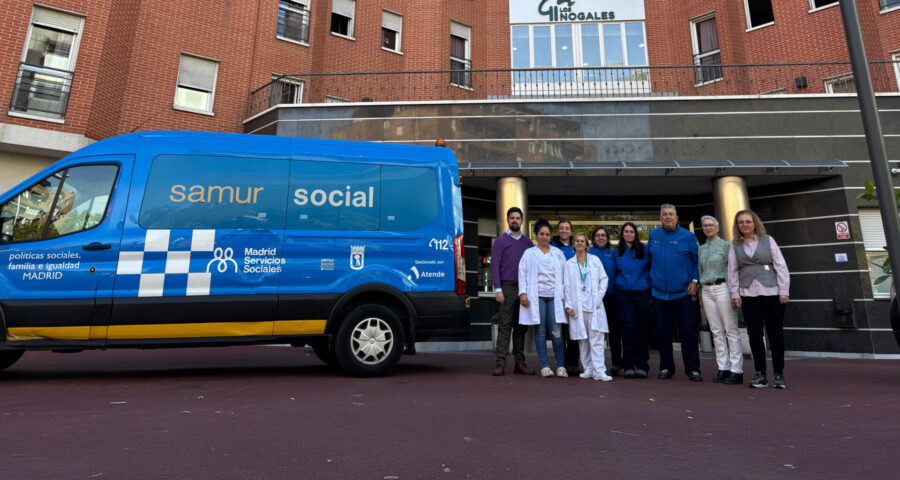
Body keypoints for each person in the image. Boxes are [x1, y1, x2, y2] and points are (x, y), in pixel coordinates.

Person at [727, 209, 790, 389]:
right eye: (741, 222)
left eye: (748, 221)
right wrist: (735, 294)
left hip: (771, 293)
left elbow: (781, 266)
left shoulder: (768, 240)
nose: (744, 225)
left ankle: (778, 373)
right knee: (754, 334)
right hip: (748, 295)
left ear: (755, 223)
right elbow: (732, 271)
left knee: (775, 334)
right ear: (737, 225)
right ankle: (760, 373)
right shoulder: (734, 245)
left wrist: (784, 290)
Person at [648, 204, 703, 382]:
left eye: (671, 214)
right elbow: (649, 261)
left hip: (683, 293)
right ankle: (666, 367)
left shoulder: (688, 236)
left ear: (676, 217)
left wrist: (695, 281)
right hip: (659, 294)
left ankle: (693, 369)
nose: (668, 217)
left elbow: (698, 261)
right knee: (663, 333)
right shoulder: (653, 235)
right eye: (664, 214)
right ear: (660, 218)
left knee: (688, 332)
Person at [518, 219, 568, 378]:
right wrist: (523, 293)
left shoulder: (558, 253)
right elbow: (522, 273)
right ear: (536, 235)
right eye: (541, 234)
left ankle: (560, 365)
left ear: (550, 236)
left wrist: (567, 297)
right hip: (537, 296)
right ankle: (544, 366)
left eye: (547, 234)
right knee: (539, 331)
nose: (544, 237)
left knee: (556, 332)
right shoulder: (529, 253)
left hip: (555, 297)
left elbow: (566, 276)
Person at [491, 207, 535, 376]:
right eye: (512, 218)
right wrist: (498, 289)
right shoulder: (500, 241)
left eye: (518, 218)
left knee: (521, 328)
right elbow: (495, 265)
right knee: (505, 327)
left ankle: (520, 363)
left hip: (524, 289)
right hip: (507, 288)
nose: (515, 220)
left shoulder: (528, 243)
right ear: (508, 220)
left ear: (522, 221)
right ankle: (500, 364)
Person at [698, 215, 743, 385]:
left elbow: (733, 270)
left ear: (717, 227)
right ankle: (723, 367)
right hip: (707, 290)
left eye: (711, 225)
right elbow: (700, 271)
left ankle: (736, 369)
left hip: (723, 288)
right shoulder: (701, 249)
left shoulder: (726, 246)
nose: (708, 228)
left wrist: (734, 292)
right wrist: (700, 293)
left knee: (731, 330)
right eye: (705, 225)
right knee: (716, 331)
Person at [564, 232, 612, 381]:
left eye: (582, 241)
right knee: (582, 340)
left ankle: (599, 371)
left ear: (586, 244)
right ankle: (588, 369)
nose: (579, 243)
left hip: (594, 306)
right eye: (577, 241)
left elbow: (604, 279)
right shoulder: (569, 264)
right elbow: (566, 286)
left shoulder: (595, 260)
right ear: (573, 244)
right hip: (578, 307)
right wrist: (568, 304)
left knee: (596, 339)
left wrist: (599, 297)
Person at [615, 222, 651, 379]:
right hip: (623, 295)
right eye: (626, 231)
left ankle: (642, 364)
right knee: (628, 328)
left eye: (631, 231)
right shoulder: (617, 252)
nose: (629, 234)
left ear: (635, 234)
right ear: (622, 234)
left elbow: (651, 269)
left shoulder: (645, 250)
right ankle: (628, 364)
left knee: (642, 328)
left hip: (641, 293)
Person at [590, 226, 621, 376]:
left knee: (614, 332)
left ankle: (616, 364)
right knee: (595, 333)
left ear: (607, 238)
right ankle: (594, 365)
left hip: (611, 298)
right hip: (594, 300)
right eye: (598, 235)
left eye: (603, 235)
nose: (601, 237)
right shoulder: (589, 253)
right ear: (593, 238)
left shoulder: (613, 254)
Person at [551, 219, 579, 375]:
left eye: (567, 228)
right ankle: (562, 363)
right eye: (561, 228)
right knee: (560, 331)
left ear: (570, 231)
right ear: (558, 230)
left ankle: (573, 363)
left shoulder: (576, 247)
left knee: (573, 330)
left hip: (574, 294)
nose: (564, 231)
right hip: (557, 293)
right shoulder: (552, 246)